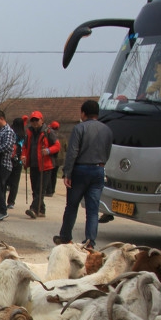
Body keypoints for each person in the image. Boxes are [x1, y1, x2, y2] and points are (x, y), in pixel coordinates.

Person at [55, 99, 113, 249]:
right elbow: (108, 152)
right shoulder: (107, 130)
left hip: (80, 170)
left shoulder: (79, 128)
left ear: (83, 113)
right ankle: (90, 243)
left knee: (72, 206)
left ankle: (65, 237)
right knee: (93, 210)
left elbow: (72, 152)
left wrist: (67, 173)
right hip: (98, 170)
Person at [21, 111, 60, 219]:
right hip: (33, 164)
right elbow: (25, 146)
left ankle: (34, 209)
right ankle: (41, 210)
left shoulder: (48, 132)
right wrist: (23, 156)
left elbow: (57, 146)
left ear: (41, 120)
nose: (34, 122)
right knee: (35, 189)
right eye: (32, 120)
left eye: (36, 120)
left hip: (45, 165)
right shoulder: (29, 132)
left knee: (40, 189)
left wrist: (48, 150)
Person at [7, 116, 26, 209]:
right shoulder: (24, 136)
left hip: (9, 159)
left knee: (5, 180)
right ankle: (11, 202)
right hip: (19, 161)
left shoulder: (11, 133)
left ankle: (1, 199)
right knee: (15, 182)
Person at [45, 120, 62, 196]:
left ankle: (49, 190)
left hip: (52, 158)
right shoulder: (62, 136)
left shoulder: (50, 135)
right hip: (60, 159)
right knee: (54, 175)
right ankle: (52, 189)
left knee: (49, 174)